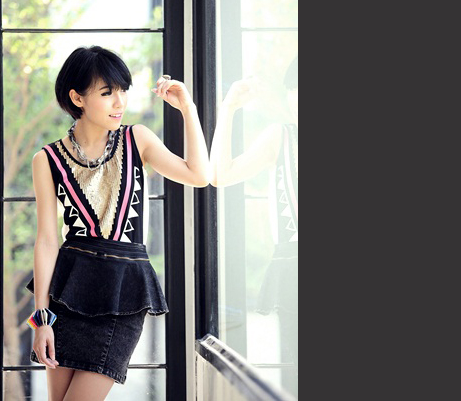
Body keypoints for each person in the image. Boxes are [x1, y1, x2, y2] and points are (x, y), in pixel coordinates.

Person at [25, 45, 209, 401]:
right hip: (68, 292)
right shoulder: (46, 159)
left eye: (123, 90)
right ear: (77, 98)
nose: (119, 101)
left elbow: (198, 175)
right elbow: (47, 241)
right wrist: (41, 321)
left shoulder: (136, 139)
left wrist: (188, 109)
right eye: (107, 92)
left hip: (123, 290)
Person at [209, 56, 298, 384]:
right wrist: (228, 108)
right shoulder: (282, 138)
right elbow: (220, 175)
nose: (296, 100)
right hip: (294, 272)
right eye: (293, 91)